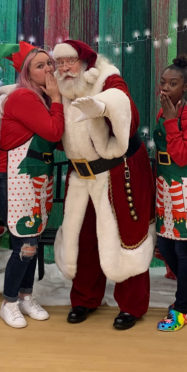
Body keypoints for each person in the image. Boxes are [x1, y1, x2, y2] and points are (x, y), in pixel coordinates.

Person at [52, 39, 155, 331]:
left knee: (127, 237)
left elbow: (124, 106)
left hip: (117, 173)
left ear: (85, 62)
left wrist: (102, 107)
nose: (65, 68)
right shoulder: (60, 87)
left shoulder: (107, 77)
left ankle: (132, 305)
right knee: (83, 238)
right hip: (82, 177)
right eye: (60, 63)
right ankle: (84, 298)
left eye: (70, 61)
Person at [0, 41, 64, 328]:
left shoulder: (40, 100)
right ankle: (8, 301)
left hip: (33, 177)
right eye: (40, 65)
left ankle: (25, 295)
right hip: (11, 176)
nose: (48, 69)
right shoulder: (23, 98)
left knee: (32, 235)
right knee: (26, 241)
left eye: (49, 64)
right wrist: (56, 98)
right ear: (27, 73)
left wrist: (53, 100)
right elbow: (55, 130)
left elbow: (55, 142)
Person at [154, 53, 187, 332]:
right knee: (164, 246)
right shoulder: (164, 110)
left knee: (183, 251)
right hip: (165, 185)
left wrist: (173, 121)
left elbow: (183, 156)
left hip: (185, 186)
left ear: (185, 87)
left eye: (172, 84)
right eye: (163, 83)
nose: (165, 88)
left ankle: (182, 307)